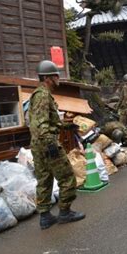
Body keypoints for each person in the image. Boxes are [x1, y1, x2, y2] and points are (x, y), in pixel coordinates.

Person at [29, 60, 85, 230]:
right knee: (67, 176)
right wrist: (50, 144)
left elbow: (45, 122)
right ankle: (65, 212)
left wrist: (67, 126)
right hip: (47, 143)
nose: (57, 78)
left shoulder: (39, 94)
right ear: (48, 78)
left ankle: (45, 217)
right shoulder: (43, 95)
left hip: (38, 144)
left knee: (44, 179)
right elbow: (40, 124)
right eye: (55, 75)